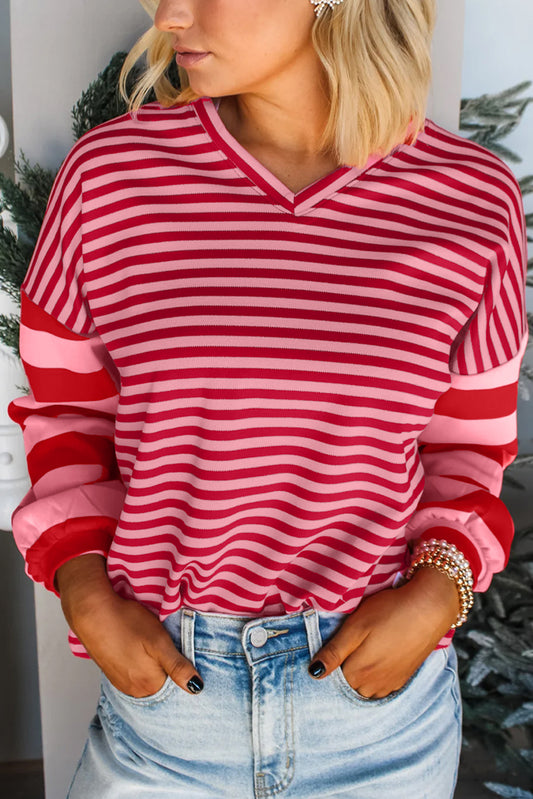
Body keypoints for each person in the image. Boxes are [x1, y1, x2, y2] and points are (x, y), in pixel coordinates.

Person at [9, 0, 528, 797]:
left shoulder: (470, 200)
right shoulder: (110, 179)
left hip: (377, 713)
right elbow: (66, 420)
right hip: (168, 709)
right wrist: (83, 589)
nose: (169, 13)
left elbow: (467, 450)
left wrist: (434, 596)